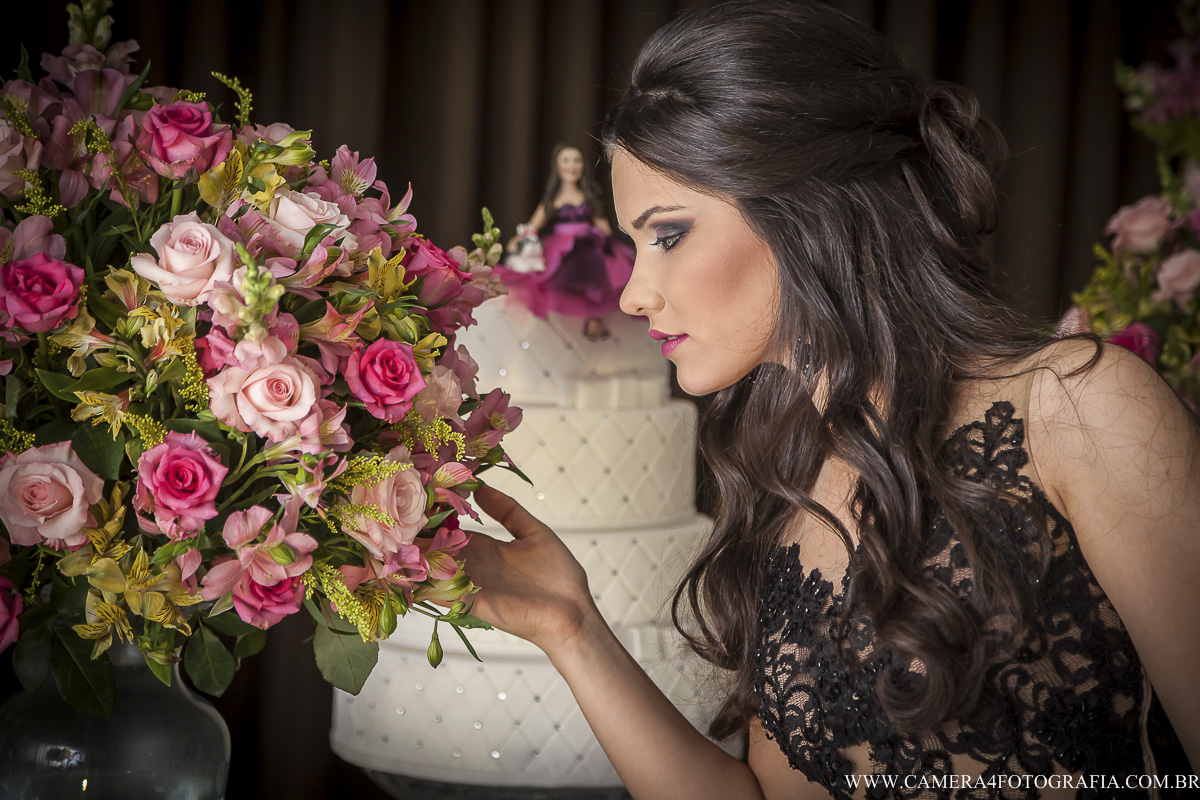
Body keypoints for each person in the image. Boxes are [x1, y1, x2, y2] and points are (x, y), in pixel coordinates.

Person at [460, 2, 1200, 797]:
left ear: (808, 205)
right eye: (633, 247)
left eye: (668, 235)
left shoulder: (1076, 408)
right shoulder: (782, 490)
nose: (634, 293)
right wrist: (570, 631)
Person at [498, 143, 634, 341]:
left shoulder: (588, 196)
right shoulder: (552, 200)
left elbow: (603, 225)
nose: (572, 165)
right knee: (559, 275)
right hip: (561, 247)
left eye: (577, 160)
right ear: (557, 166)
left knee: (598, 275)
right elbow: (533, 225)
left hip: (589, 244)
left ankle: (593, 318)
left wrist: (608, 236)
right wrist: (518, 238)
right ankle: (569, 326)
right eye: (566, 160)